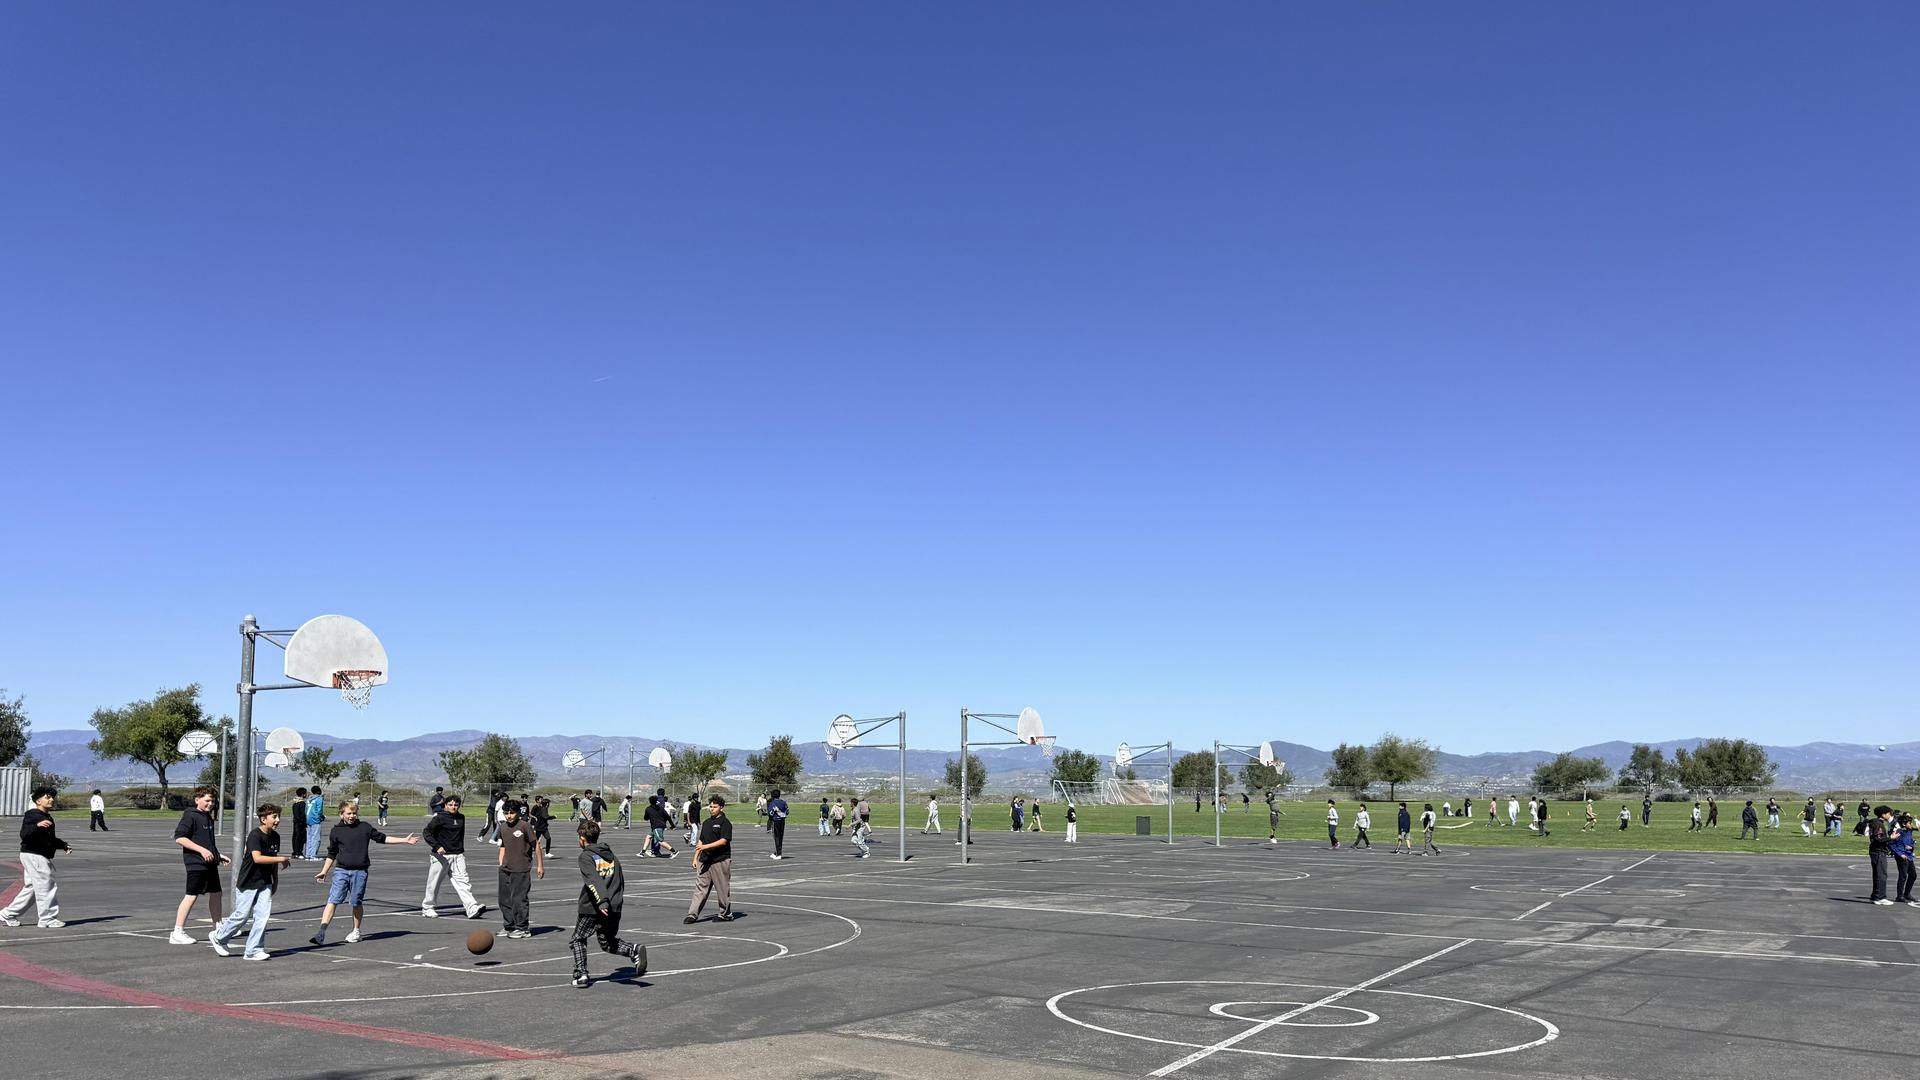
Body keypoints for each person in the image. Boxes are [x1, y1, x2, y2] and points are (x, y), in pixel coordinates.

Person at [308, 800, 419, 945]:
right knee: (333, 900)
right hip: (341, 871)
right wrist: (324, 871)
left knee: (356, 902)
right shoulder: (336, 831)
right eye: (349, 813)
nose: (352, 816)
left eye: (354, 813)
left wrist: (404, 840)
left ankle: (356, 931)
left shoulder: (364, 827)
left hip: (360, 872)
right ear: (341, 814)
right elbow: (332, 853)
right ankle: (321, 932)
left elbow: (382, 838)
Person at [568, 818, 648, 988]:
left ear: (582, 838)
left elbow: (593, 880)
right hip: (614, 905)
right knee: (607, 942)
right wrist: (615, 903)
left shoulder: (586, 856)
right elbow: (619, 880)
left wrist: (602, 902)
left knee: (577, 939)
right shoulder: (611, 856)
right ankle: (632, 950)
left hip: (593, 907)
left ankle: (581, 974)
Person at [209, 802, 288, 960]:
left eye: (278, 816)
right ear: (263, 819)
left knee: (262, 916)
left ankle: (253, 950)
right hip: (248, 881)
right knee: (242, 915)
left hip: (265, 882)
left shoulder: (275, 837)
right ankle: (219, 937)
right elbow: (257, 858)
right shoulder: (255, 835)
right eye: (274, 817)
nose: (278, 820)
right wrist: (282, 859)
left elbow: (272, 861)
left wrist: (275, 881)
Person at [168, 786, 230, 944]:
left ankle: (218, 927)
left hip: (209, 863)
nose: (210, 804)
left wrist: (218, 855)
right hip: (195, 863)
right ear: (197, 800)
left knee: (216, 893)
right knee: (191, 895)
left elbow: (208, 842)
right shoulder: (191, 816)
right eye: (207, 800)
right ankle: (177, 932)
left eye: (213, 801)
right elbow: (180, 838)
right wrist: (202, 851)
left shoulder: (208, 817)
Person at [1, 787, 70, 928]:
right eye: (47, 797)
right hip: (34, 855)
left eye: (52, 797)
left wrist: (63, 845)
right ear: (38, 801)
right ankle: (47, 919)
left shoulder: (46, 816)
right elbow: (24, 833)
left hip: (35, 855)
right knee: (46, 885)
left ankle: (7, 914)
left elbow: (49, 838)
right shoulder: (33, 815)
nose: (51, 799)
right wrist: (37, 826)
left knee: (32, 889)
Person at [421, 795, 485, 919]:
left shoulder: (461, 817)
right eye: (450, 805)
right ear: (445, 805)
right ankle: (427, 907)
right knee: (434, 883)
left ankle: (471, 908)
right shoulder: (439, 818)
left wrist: (459, 850)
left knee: (463, 882)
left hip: (458, 855)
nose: (453, 807)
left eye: (456, 805)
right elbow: (426, 833)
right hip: (441, 856)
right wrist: (437, 846)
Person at [685, 794, 734, 923]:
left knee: (722, 889)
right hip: (704, 861)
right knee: (700, 888)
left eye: (715, 807)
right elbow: (700, 842)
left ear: (721, 808)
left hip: (720, 860)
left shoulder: (725, 823)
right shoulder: (706, 823)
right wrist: (695, 858)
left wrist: (706, 847)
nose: (712, 809)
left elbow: (723, 841)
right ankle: (692, 914)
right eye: (710, 807)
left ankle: (725, 914)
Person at [497, 802, 542, 938]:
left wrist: (540, 865)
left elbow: (536, 845)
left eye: (512, 813)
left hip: (521, 868)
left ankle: (522, 928)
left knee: (518, 899)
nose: (509, 816)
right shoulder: (503, 827)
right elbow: (503, 846)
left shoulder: (524, 826)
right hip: (505, 868)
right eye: (506, 813)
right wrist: (501, 863)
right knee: (504, 899)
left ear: (518, 813)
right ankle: (509, 926)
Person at [1866, 805, 1895, 905]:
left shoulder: (1877, 823)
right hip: (1878, 852)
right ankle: (1880, 896)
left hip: (1877, 851)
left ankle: (1875, 896)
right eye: (1888, 814)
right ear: (1883, 814)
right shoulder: (1878, 824)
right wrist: (1891, 838)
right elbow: (1878, 839)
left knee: (1878, 874)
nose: (1890, 815)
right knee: (1881, 875)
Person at [1891, 813, 1916, 907]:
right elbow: (1891, 844)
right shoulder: (1898, 832)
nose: (1911, 824)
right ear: (1904, 824)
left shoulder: (1909, 831)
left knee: (1913, 875)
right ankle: (1899, 896)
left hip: (1909, 856)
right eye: (1910, 823)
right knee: (1903, 876)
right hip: (1902, 857)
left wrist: (1912, 845)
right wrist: (1900, 854)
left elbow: (1908, 841)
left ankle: (1907, 893)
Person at [303, 787, 326, 861]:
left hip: (308, 819)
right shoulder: (319, 799)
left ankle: (308, 855)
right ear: (319, 791)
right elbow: (319, 811)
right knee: (316, 838)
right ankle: (313, 855)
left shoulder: (309, 799)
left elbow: (306, 809)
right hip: (315, 819)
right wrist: (321, 817)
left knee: (309, 837)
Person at [766, 789, 789, 859]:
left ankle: (778, 854)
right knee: (780, 837)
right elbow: (787, 811)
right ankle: (777, 852)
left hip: (775, 821)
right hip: (782, 821)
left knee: (776, 837)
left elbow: (770, 814)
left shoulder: (772, 803)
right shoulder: (783, 802)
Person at [289, 787, 309, 861]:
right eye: (305, 793)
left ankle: (295, 852)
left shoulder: (295, 803)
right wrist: (304, 822)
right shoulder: (302, 803)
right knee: (300, 838)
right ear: (303, 794)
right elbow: (303, 814)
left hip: (296, 823)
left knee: (295, 837)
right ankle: (299, 852)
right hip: (301, 823)